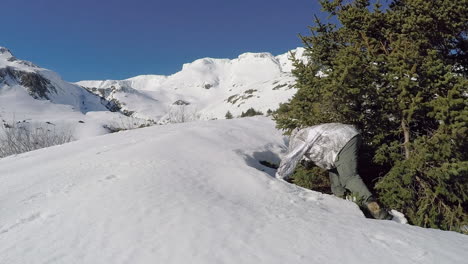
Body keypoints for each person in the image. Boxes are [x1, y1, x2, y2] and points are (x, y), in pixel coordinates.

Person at [275, 123, 391, 220]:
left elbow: (290, 157)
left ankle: (378, 211)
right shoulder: (307, 134)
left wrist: (279, 177)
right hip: (340, 144)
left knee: (348, 176)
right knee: (336, 185)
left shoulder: (301, 137)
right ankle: (347, 208)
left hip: (344, 140)